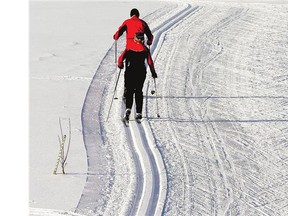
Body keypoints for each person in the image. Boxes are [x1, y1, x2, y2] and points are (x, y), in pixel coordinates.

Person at [118, 44, 157, 124]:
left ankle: (128, 108)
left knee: (129, 90)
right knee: (138, 91)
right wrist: (153, 72)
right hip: (141, 72)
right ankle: (139, 112)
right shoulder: (145, 49)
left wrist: (120, 65)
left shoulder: (128, 48)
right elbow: (150, 62)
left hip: (129, 72)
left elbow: (120, 59)